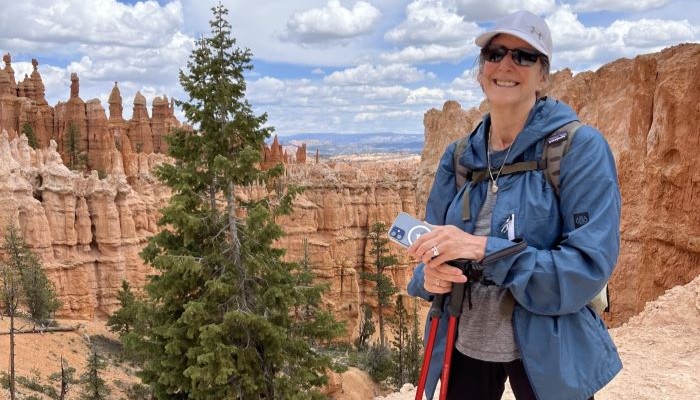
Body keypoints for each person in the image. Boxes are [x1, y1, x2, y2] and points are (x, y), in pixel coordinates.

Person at [406, 10, 622, 400]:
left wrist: (484, 250)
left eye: (524, 56)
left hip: (548, 349)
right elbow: (433, 249)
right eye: (495, 53)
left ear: (543, 75)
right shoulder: (458, 157)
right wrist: (429, 278)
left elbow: (588, 267)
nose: (506, 64)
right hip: (462, 341)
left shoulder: (579, 149)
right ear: (480, 70)